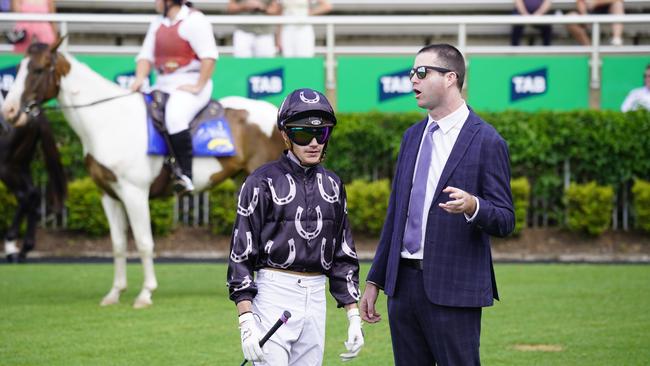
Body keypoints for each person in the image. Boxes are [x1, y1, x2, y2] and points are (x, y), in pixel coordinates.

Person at [359, 44, 515, 366]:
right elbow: (396, 216)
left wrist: (474, 205)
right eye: (411, 73)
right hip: (402, 288)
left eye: (421, 72)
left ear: (450, 78)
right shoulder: (411, 137)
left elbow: (505, 219)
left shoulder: (488, 140)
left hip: (455, 290)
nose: (412, 80)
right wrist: (375, 280)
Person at [227, 88, 364, 365]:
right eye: (303, 134)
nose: (314, 142)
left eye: (322, 133)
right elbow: (241, 255)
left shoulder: (334, 185)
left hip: (316, 298)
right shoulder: (259, 182)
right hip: (273, 295)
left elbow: (343, 253)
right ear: (286, 136)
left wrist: (353, 316)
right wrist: (246, 320)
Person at [131, 0, 218, 194]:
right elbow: (145, 56)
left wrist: (198, 85)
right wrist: (139, 79)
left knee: (175, 116)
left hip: (192, 82)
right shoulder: (157, 23)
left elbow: (209, 57)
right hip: (163, 83)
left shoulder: (195, 20)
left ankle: (185, 174)